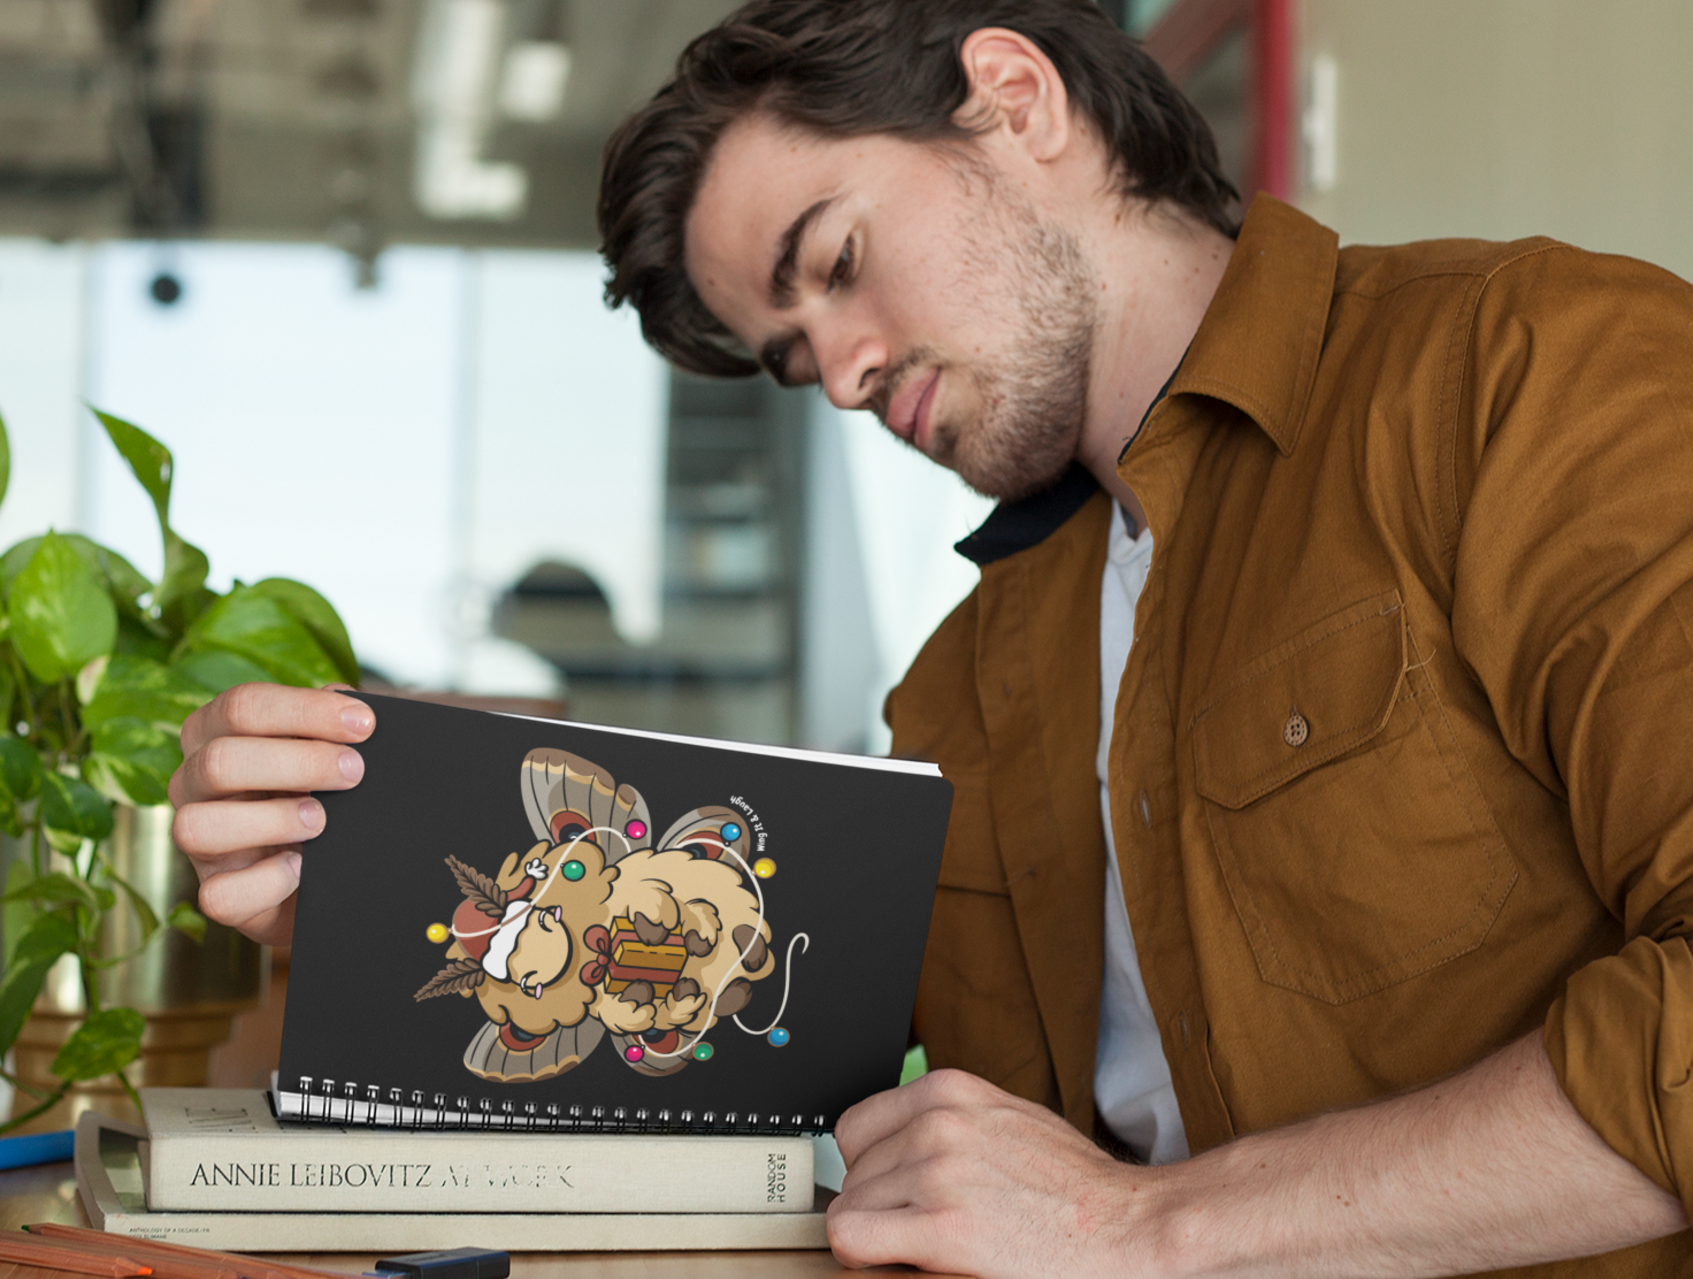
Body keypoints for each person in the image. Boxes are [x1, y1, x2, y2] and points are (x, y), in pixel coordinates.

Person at [168, 2, 1693, 1275]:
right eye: (787, 358)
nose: (833, 373)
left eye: (832, 263)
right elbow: (745, 1051)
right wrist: (371, 876)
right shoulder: (964, 681)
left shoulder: (1527, 373)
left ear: (1016, 100)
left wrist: (1147, 1229)